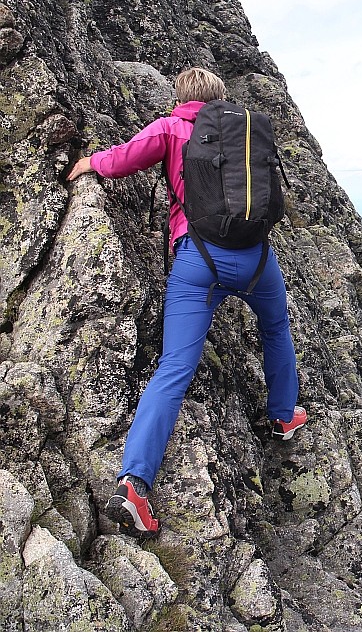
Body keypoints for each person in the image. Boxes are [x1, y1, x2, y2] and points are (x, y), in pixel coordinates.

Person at [68, 67, 307, 539]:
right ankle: (284, 414)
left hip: (198, 260)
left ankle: (135, 483)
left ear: (180, 96)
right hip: (257, 258)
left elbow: (121, 161)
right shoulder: (243, 132)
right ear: (221, 99)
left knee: (175, 366)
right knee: (275, 329)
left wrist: (88, 163)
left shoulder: (171, 127)